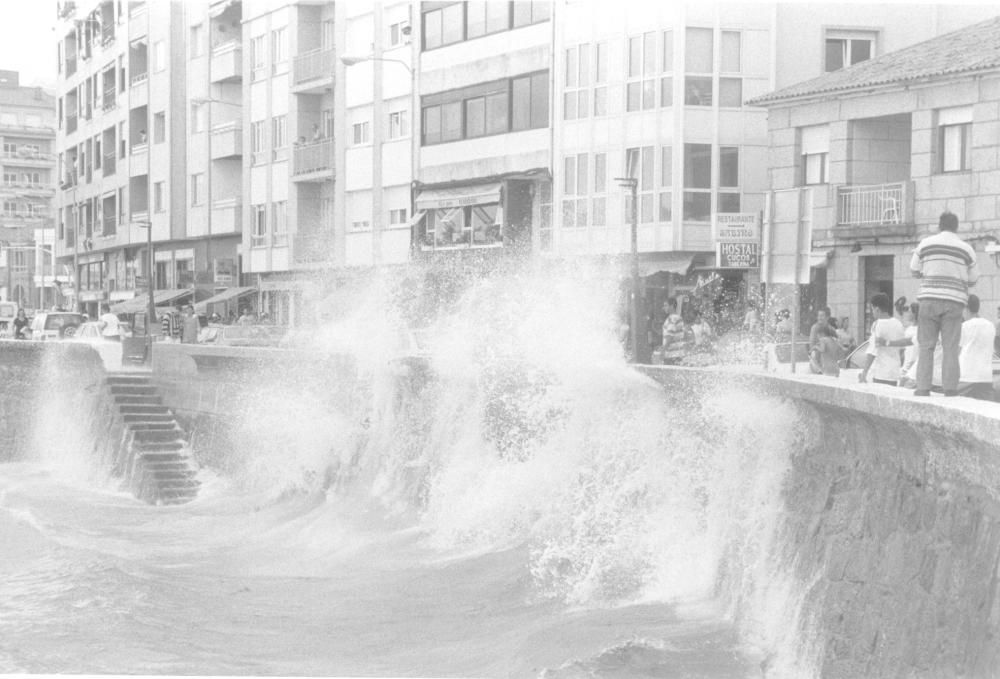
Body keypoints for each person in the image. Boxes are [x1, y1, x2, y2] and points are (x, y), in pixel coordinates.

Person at [909, 211, 978, 396]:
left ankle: (923, 388)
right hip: (955, 302)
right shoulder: (966, 249)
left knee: (926, 345)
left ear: (939, 225)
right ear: (956, 227)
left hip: (928, 299)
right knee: (950, 346)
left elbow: (913, 269)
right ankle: (950, 389)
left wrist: (929, 274)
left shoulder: (926, 243)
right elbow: (973, 279)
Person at [860, 293, 905, 386]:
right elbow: (902, 350)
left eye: (872, 309)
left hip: (881, 373)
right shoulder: (898, 324)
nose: (872, 312)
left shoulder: (877, 324)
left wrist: (864, 373)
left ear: (877, 309)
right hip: (895, 372)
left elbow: (872, 351)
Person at [957, 294, 996, 401]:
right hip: (985, 376)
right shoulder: (990, 325)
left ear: (965, 308)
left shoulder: (964, 326)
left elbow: (957, 351)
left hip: (966, 375)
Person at [808, 307, 837, 374]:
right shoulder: (815, 328)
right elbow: (812, 345)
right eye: (818, 316)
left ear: (827, 317)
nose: (819, 318)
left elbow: (835, 342)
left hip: (829, 359)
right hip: (818, 358)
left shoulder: (831, 329)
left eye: (822, 315)